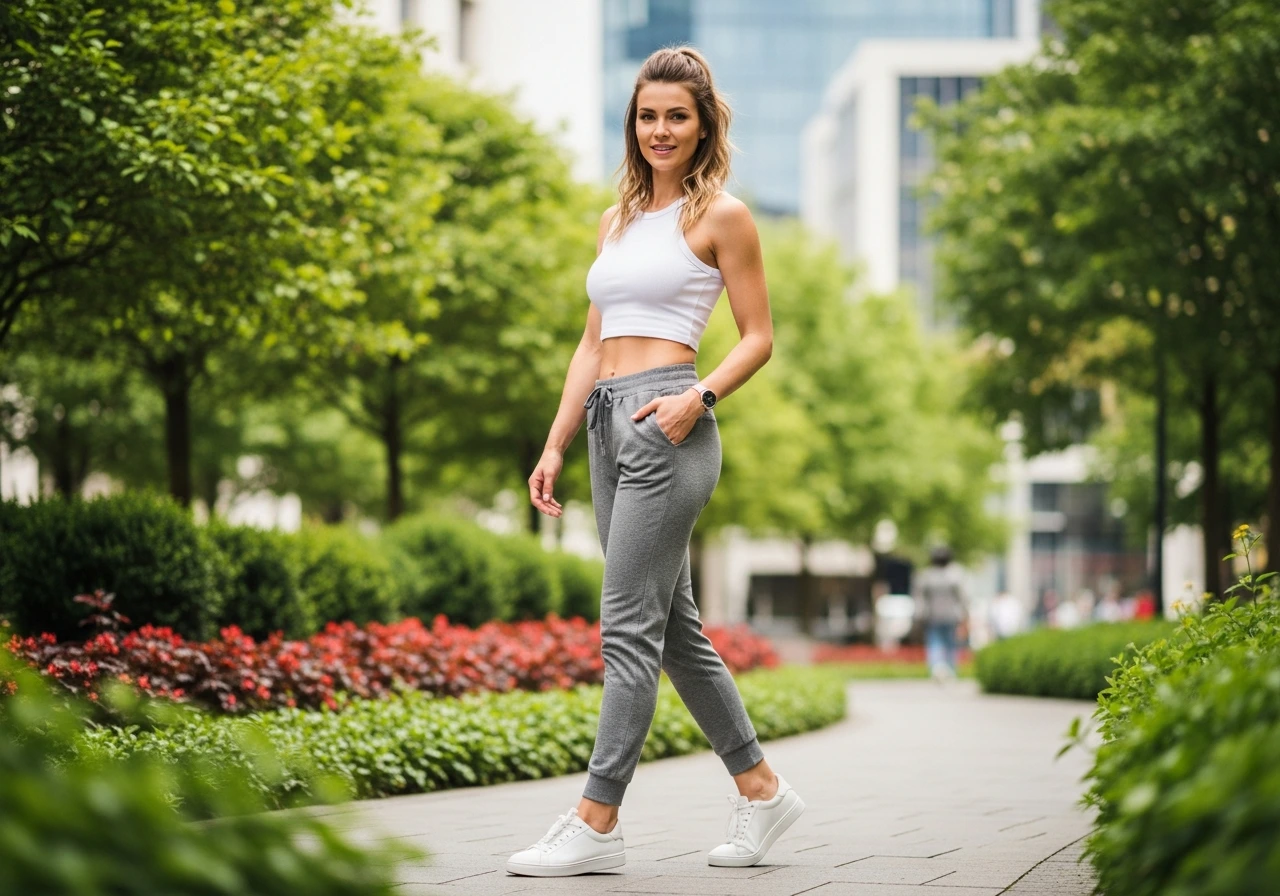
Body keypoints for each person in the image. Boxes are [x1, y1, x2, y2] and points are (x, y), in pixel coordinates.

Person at [509, 47, 803, 878]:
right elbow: (590, 342)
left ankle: (596, 819)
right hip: (607, 425)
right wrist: (557, 441)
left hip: (671, 425)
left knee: (625, 632)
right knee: (676, 635)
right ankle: (763, 791)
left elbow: (758, 337)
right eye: (647, 115)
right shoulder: (616, 220)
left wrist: (698, 397)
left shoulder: (723, 217)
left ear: (704, 122)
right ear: (632, 122)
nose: (661, 130)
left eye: (678, 115)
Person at [912, 546, 968, 681]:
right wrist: (965, 614)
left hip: (932, 616)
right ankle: (951, 670)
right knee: (951, 643)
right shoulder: (955, 575)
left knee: (934, 643)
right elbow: (963, 598)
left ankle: (936, 668)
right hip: (951, 615)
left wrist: (918, 616)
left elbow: (920, 598)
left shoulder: (926, 576)